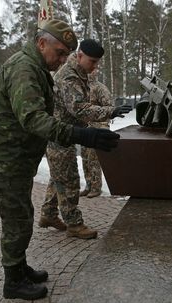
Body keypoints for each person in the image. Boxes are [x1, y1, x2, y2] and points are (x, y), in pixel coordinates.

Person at [0, 20, 120, 301]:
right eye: (59, 52)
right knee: (17, 221)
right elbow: (33, 119)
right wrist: (82, 135)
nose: (62, 59)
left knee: (24, 217)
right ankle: (13, 281)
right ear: (41, 43)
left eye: (67, 53)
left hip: (16, 158)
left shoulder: (37, 68)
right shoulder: (24, 69)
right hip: (7, 159)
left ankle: (19, 267)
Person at [38, 39, 131, 239]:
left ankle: (48, 214)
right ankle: (74, 225)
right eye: (92, 61)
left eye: (97, 62)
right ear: (80, 56)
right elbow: (80, 108)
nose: (95, 66)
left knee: (58, 176)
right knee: (69, 178)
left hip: (66, 132)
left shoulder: (80, 72)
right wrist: (111, 111)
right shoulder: (69, 76)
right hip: (60, 133)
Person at [80, 75, 115, 198]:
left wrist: (102, 124)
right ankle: (88, 186)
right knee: (85, 159)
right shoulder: (81, 87)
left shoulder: (100, 88)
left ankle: (96, 187)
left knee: (94, 159)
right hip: (84, 130)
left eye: (94, 69)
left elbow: (109, 108)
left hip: (97, 128)